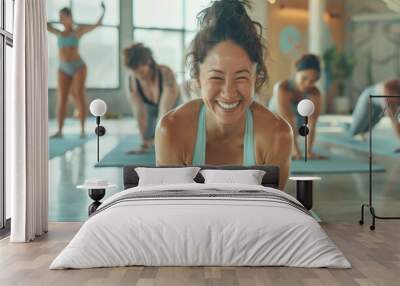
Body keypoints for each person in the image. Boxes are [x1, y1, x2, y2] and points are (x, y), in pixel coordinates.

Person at [155, 0, 293, 189]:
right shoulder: (172, 131)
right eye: (216, 77)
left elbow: (271, 213)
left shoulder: (277, 135)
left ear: (257, 77)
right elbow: (169, 211)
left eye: (241, 77)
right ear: (197, 77)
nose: (228, 93)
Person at [47, 4, 105, 138]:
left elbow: (97, 24)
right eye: (59, 17)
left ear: (70, 18)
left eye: (63, 17)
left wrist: (104, 11)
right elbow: (42, 24)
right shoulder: (59, 33)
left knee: (79, 95)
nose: (60, 19)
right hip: (63, 68)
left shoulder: (78, 32)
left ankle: (82, 129)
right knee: (61, 98)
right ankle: (60, 131)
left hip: (78, 66)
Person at [123, 43, 181, 154]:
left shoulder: (165, 73)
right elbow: (139, 113)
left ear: (149, 62)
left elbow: (164, 112)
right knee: (148, 138)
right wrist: (144, 143)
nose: (139, 76)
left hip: (173, 109)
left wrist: (159, 140)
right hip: (150, 110)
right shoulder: (132, 80)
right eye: (135, 73)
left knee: (169, 139)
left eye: (141, 72)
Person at [269, 54, 323, 160]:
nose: (307, 83)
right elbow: (288, 121)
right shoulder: (282, 88)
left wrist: (309, 151)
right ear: (296, 73)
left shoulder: (315, 93)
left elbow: (312, 123)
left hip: (294, 125)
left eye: (312, 81)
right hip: (274, 123)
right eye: (304, 78)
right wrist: (295, 150)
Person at [348, 79, 400, 150]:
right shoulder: (389, 93)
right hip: (368, 97)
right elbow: (394, 121)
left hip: (380, 102)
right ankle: (348, 126)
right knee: (355, 131)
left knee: (368, 127)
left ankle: (361, 131)